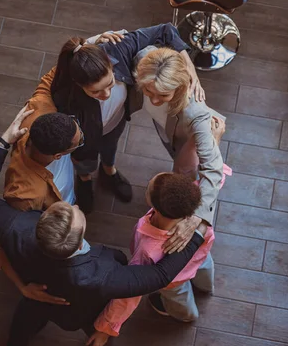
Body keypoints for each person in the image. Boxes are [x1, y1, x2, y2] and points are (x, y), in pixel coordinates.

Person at [0, 106, 208, 346]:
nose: (73, 207)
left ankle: (15, 344)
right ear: (80, 235)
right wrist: (197, 230)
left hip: (34, 291)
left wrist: (3, 142)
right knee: (86, 325)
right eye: (76, 213)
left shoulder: (14, 227)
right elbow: (161, 275)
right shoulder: (100, 275)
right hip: (75, 313)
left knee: (27, 318)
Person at [20, 23, 205, 215]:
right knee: (84, 158)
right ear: (78, 84)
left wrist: (189, 65)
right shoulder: (64, 96)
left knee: (110, 146)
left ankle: (109, 171)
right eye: (96, 91)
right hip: (85, 135)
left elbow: (165, 30)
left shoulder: (118, 48)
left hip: (116, 121)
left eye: (109, 84)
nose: (106, 94)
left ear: (110, 62)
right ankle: (84, 179)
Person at [86, 170, 230, 346]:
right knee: (205, 271)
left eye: (147, 190)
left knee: (181, 302)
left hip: (174, 282)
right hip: (201, 257)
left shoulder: (148, 250)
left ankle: (186, 316)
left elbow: (131, 292)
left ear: (154, 205)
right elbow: (214, 178)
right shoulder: (195, 202)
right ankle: (206, 287)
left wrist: (105, 328)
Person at [132, 46, 228, 254]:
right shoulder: (144, 58)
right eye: (148, 91)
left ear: (181, 87)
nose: (154, 99)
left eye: (163, 94)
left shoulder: (196, 113)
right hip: (169, 132)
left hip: (187, 145)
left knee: (185, 171)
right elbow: (156, 33)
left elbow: (213, 168)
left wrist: (196, 217)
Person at [4, 112, 84, 211]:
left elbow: (42, 97)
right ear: (58, 156)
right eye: (79, 143)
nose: (81, 134)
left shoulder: (38, 113)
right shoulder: (26, 195)